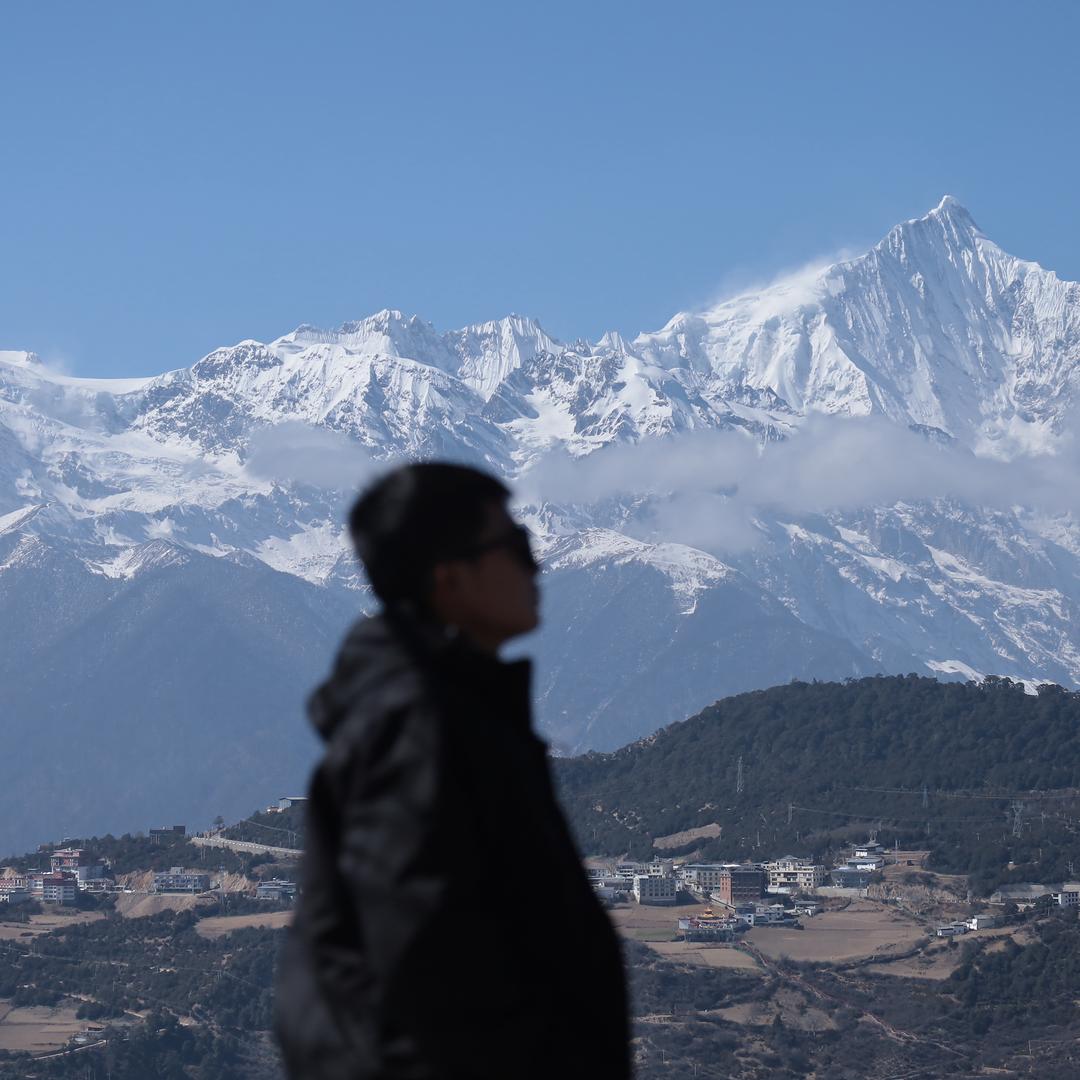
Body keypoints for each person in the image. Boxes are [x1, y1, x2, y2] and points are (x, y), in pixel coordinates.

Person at [275, 462, 630, 1079]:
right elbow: (425, 965)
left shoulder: (446, 710)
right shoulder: (424, 727)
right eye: (516, 546)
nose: (536, 566)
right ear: (451, 579)